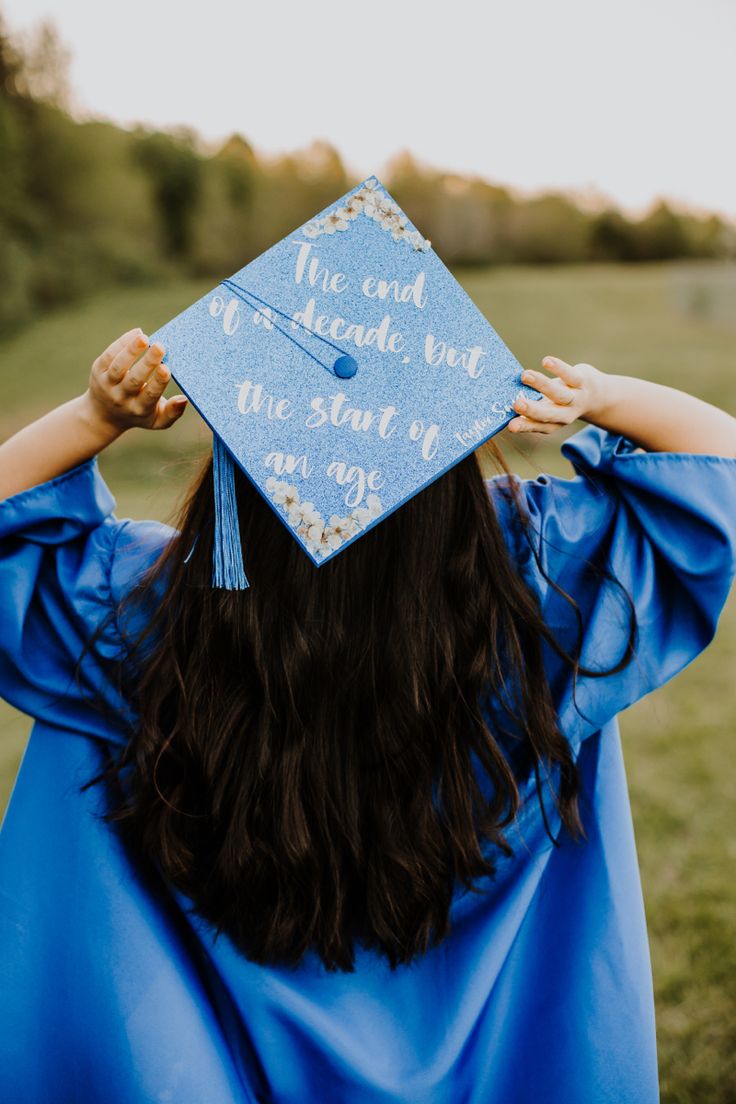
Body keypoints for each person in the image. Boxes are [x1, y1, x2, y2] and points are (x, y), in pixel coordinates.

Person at [0, 327, 735, 1104]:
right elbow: (718, 468)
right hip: (494, 1060)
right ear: (451, 465)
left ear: (238, 480)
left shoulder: (148, 611)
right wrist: (601, 395)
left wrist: (96, 415)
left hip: (208, 1061)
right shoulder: (539, 584)